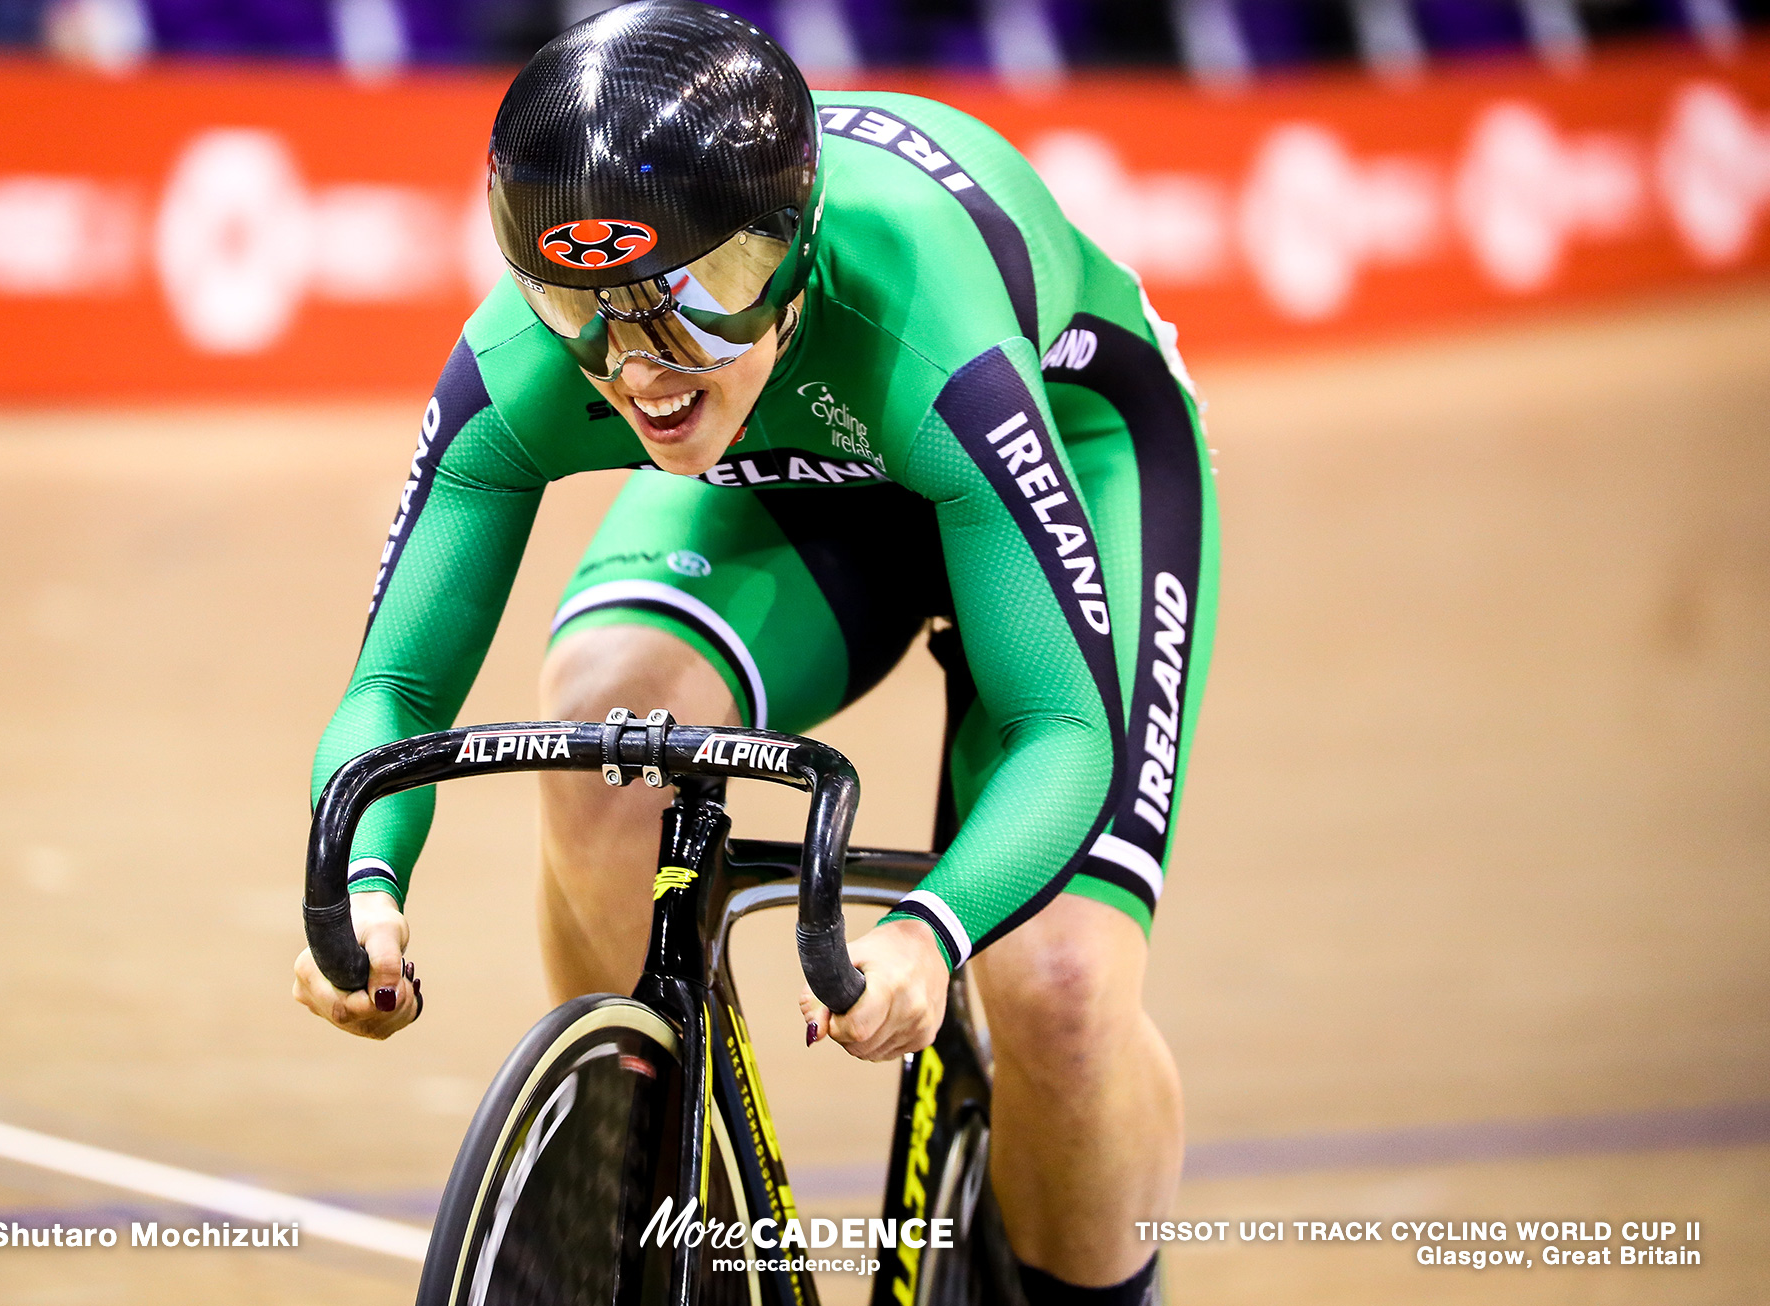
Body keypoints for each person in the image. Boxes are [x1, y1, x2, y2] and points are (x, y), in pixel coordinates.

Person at [292, 3, 1216, 1302]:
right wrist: (367, 881)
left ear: (788, 250)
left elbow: (1066, 731)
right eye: (582, 307)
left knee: (1055, 980)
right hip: (799, 452)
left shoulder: (919, 324)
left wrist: (934, 932)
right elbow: (391, 688)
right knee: (605, 725)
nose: (641, 372)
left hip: (1060, 440)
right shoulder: (545, 355)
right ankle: (676, 1224)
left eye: (697, 307)